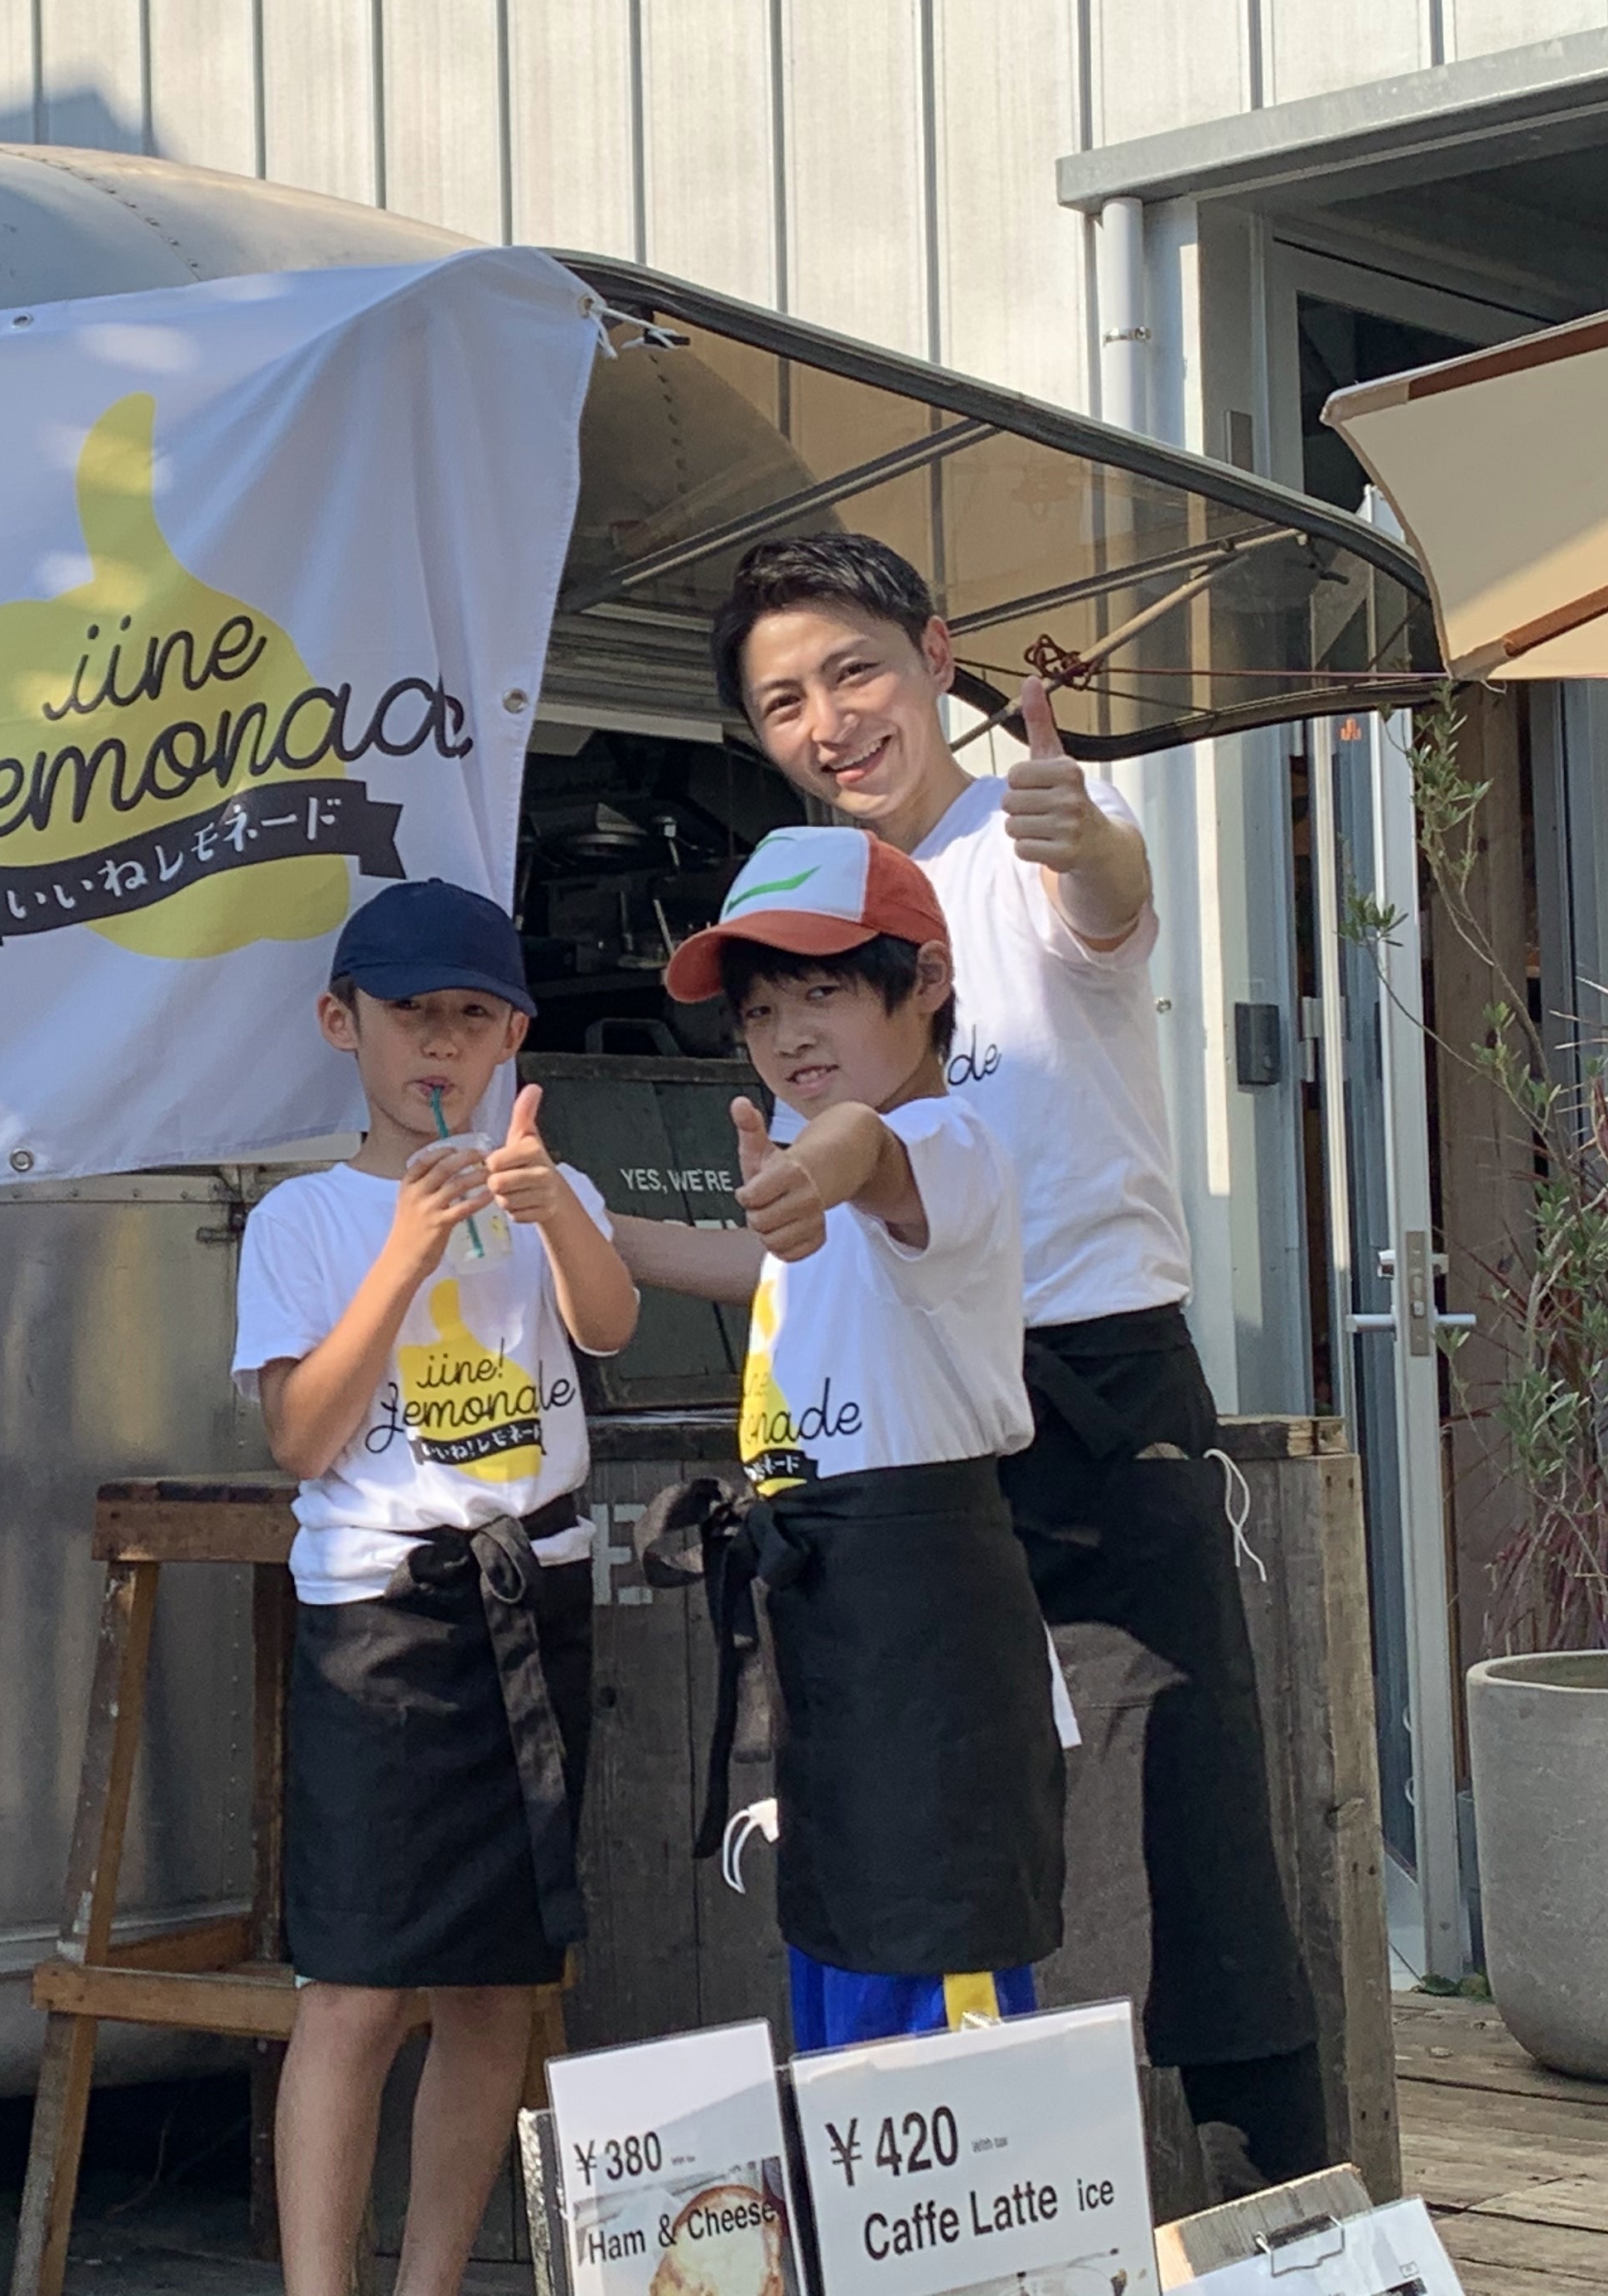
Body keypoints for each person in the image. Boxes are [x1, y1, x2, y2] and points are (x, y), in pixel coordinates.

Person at [615, 534, 1326, 2182]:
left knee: (1191, 1828)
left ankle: (1281, 2212)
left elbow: (1110, 904)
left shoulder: (1026, 839)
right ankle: (979, 2218)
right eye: (783, 703)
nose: (830, 721)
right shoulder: (815, 916)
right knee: (933, 1853)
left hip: (1101, 1394)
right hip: (917, 1443)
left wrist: (1091, 837)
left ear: (938, 658)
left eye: (855, 671)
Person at [230, 879, 640, 2296]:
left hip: (535, 1594)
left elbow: (610, 1324)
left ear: (515, 1034)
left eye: (474, 1016)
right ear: (342, 1023)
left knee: (495, 1986)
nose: (442, 1045)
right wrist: (406, 1253)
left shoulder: (550, 1186)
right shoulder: (302, 1218)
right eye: (412, 1014)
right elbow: (300, 1436)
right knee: (351, 1987)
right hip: (379, 1620)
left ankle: (435, 2281)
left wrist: (555, 1209)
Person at [644, 824, 1071, 2052]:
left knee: (942, 2000)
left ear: (926, 980)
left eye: (823, 992)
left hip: (933, 1636)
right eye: (761, 1009)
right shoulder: (812, 1199)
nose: (789, 1035)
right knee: (840, 1979)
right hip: (826, 1625)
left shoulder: (947, 1144)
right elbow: (751, 1255)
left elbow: (868, 1153)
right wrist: (574, 1219)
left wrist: (812, 1168)